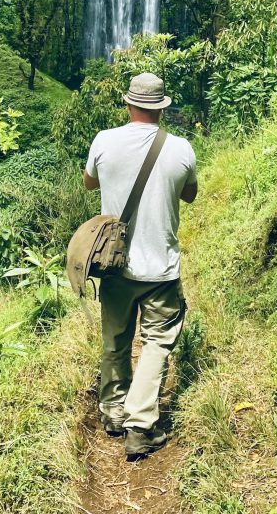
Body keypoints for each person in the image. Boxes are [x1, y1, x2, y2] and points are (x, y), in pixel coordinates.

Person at [83, 71, 198, 459]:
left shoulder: (103, 141)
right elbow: (191, 193)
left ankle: (113, 412)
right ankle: (139, 424)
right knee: (155, 343)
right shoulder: (181, 149)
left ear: (128, 104)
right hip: (161, 270)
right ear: (162, 108)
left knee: (115, 339)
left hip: (114, 264)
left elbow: (89, 182)